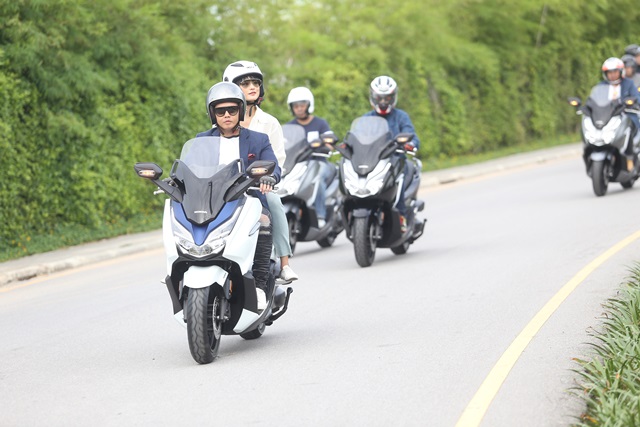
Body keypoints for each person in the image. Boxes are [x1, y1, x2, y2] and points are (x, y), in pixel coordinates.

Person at [196, 81, 281, 311]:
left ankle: (260, 285)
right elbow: (190, 168)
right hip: (211, 203)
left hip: (248, 201)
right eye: (220, 111)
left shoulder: (258, 139)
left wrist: (269, 178)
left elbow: (274, 166)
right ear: (212, 114)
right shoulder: (202, 140)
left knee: (264, 220)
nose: (226, 115)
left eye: (232, 110)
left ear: (240, 110)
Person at [223, 61, 298, 282]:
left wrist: (267, 178)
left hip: (260, 187)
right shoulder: (222, 122)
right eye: (245, 84)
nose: (252, 87)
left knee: (274, 203)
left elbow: (278, 160)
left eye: (255, 83)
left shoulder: (269, 123)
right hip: (227, 188)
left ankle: (284, 263)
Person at [362, 75, 420, 232]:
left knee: (398, 180)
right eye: (379, 98)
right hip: (372, 162)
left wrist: (410, 144)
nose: (383, 102)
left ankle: (401, 215)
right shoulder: (366, 119)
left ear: (393, 97)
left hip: (396, 161)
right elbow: (357, 136)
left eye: (387, 98)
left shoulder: (401, 116)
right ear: (373, 97)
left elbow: (412, 135)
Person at [286, 87, 334, 228]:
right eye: (296, 106)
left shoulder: (320, 123)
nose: (299, 109)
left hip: (318, 163)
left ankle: (320, 215)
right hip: (298, 165)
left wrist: (324, 145)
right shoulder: (289, 127)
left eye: (302, 105)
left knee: (317, 179)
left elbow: (330, 144)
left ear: (309, 105)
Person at [599, 57, 640, 153]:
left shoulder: (628, 83)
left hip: (625, 115)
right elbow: (594, 99)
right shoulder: (602, 85)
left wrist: (631, 102)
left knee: (630, 125)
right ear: (605, 74)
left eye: (615, 72)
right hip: (607, 117)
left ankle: (631, 151)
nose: (612, 75)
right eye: (609, 72)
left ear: (621, 71)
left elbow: (637, 98)